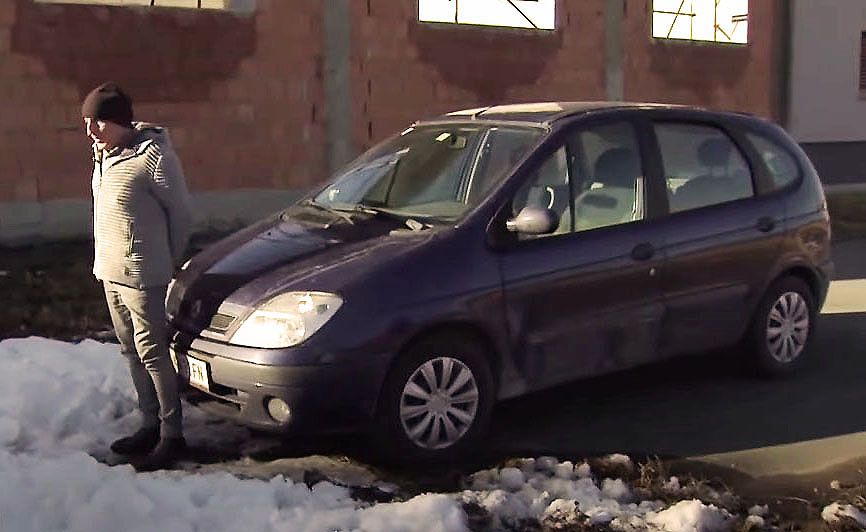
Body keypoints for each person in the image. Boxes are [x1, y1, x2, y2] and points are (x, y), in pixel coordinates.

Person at [82, 82, 193, 471]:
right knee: (130, 351)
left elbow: (180, 215)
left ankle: (171, 433)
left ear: (120, 121)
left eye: (99, 122)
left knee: (153, 352)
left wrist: (165, 259)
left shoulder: (152, 157)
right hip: (110, 271)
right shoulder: (102, 156)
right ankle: (148, 424)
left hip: (144, 273)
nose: (92, 130)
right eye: (87, 122)